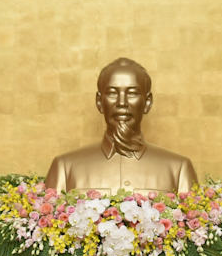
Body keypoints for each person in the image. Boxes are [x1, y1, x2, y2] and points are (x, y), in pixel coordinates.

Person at [45, 58, 200, 195]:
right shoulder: (65, 168)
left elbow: (193, 217)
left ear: (147, 102)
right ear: (99, 102)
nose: (121, 103)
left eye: (132, 93)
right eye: (112, 93)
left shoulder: (178, 169)